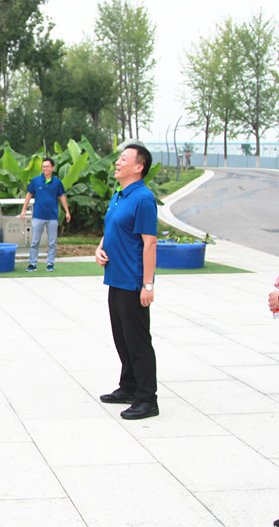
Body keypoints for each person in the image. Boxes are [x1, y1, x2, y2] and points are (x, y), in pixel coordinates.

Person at [95, 144, 159, 420]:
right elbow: (112, 227)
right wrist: (100, 248)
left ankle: (147, 399)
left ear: (139, 167)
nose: (117, 162)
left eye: (123, 158)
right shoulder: (119, 195)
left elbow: (150, 242)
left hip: (133, 281)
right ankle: (129, 386)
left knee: (138, 341)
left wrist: (147, 284)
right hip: (115, 278)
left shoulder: (143, 198)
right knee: (122, 338)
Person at [20, 158, 71, 272]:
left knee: (52, 243)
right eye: (43, 166)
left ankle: (50, 264)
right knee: (35, 242)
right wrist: (23, 210)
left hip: (52, 217)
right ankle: (32, 264)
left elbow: (62, 197)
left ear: (52, 168)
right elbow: (29, 195)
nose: (45, 169)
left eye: (47, 166)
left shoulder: (57, 182)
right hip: (38, 216)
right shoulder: (36, 181)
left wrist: (67, 211)